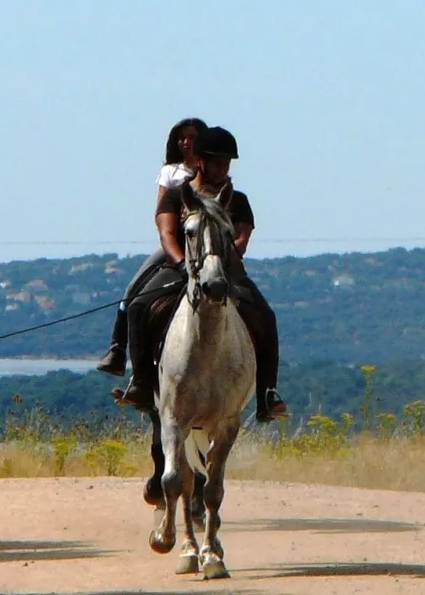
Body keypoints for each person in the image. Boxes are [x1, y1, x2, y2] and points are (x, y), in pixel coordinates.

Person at [116, 125, 288, 423]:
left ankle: (267, 393)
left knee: (265, 316)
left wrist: (216, 262)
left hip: (225, 271)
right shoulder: (174, 195)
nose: (222, 169)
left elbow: (241, 240)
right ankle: (142, 382)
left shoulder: (238, 201)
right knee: (139, 306)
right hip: (180, 267)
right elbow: (167, 234)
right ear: (200, 162)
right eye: (216, 162)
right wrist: (184, 264)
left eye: (227, 163)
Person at [95, 118, 207, 376]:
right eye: (182, 138)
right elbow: (161, 211)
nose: (187, 142)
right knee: (132, 291)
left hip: (207, 243)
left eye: (192, 137)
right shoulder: (171, 172)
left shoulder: (211, 171)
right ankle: (118, 350)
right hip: (177, 240)